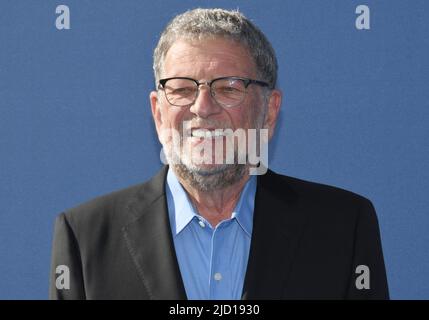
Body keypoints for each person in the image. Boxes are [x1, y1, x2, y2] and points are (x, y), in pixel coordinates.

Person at [49, 8, 389, 300]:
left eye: (227, 88)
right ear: (157, 112)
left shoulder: (343, 228)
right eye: (181, 89)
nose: (202, 108)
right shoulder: (86, 237)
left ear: (269, 112)